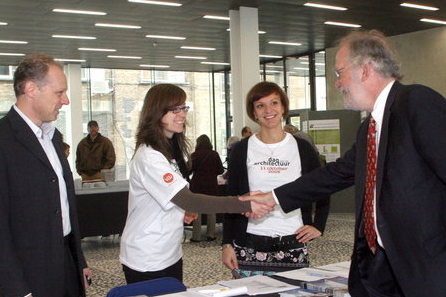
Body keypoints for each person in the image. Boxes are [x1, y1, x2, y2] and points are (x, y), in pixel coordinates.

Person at [241, 30, 446, 297]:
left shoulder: (416, 103)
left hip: (433, 275)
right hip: (403, 277)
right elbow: (336, 174)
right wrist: (274, 197)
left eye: (339, 73)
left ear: (364, 69)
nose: (337, 83)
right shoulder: (371, 127)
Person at [0, 53, 92, 297]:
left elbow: (65, 207)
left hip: (66, 268)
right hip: (28, 278)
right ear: (31, 89)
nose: (66, 100)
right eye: (60, 92)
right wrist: (17, 293)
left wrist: (79, 262)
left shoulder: (54, 138)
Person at [119, 84, 271, 284]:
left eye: (183, 108)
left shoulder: (168, 152)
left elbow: (171, 197)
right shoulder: (149, 156)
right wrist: (245, 203)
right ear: (156, 113)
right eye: (175, 109)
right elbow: (188, 199)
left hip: (169, 251)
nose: (182, 114)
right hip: (147, 255)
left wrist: (181, 210)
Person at [222, 82, 329, 278]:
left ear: (283, 108)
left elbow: (322, 187)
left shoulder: (302, 147)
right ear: (254, 112)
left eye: (274, 103)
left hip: (293, 242)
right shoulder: (241, 149)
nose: (268, 110)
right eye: (260, 105)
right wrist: (226, 243)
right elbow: (233, 198)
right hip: (249, 243)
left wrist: (318, 225)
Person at [189, 134, 224, 242]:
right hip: (211, 186)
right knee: (211, 211)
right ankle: (210, 235)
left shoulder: (194, 155)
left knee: (196, 212)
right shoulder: (214, 154)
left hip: (197, 186)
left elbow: (188, 170)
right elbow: (221, 171)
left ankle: (196, 237)